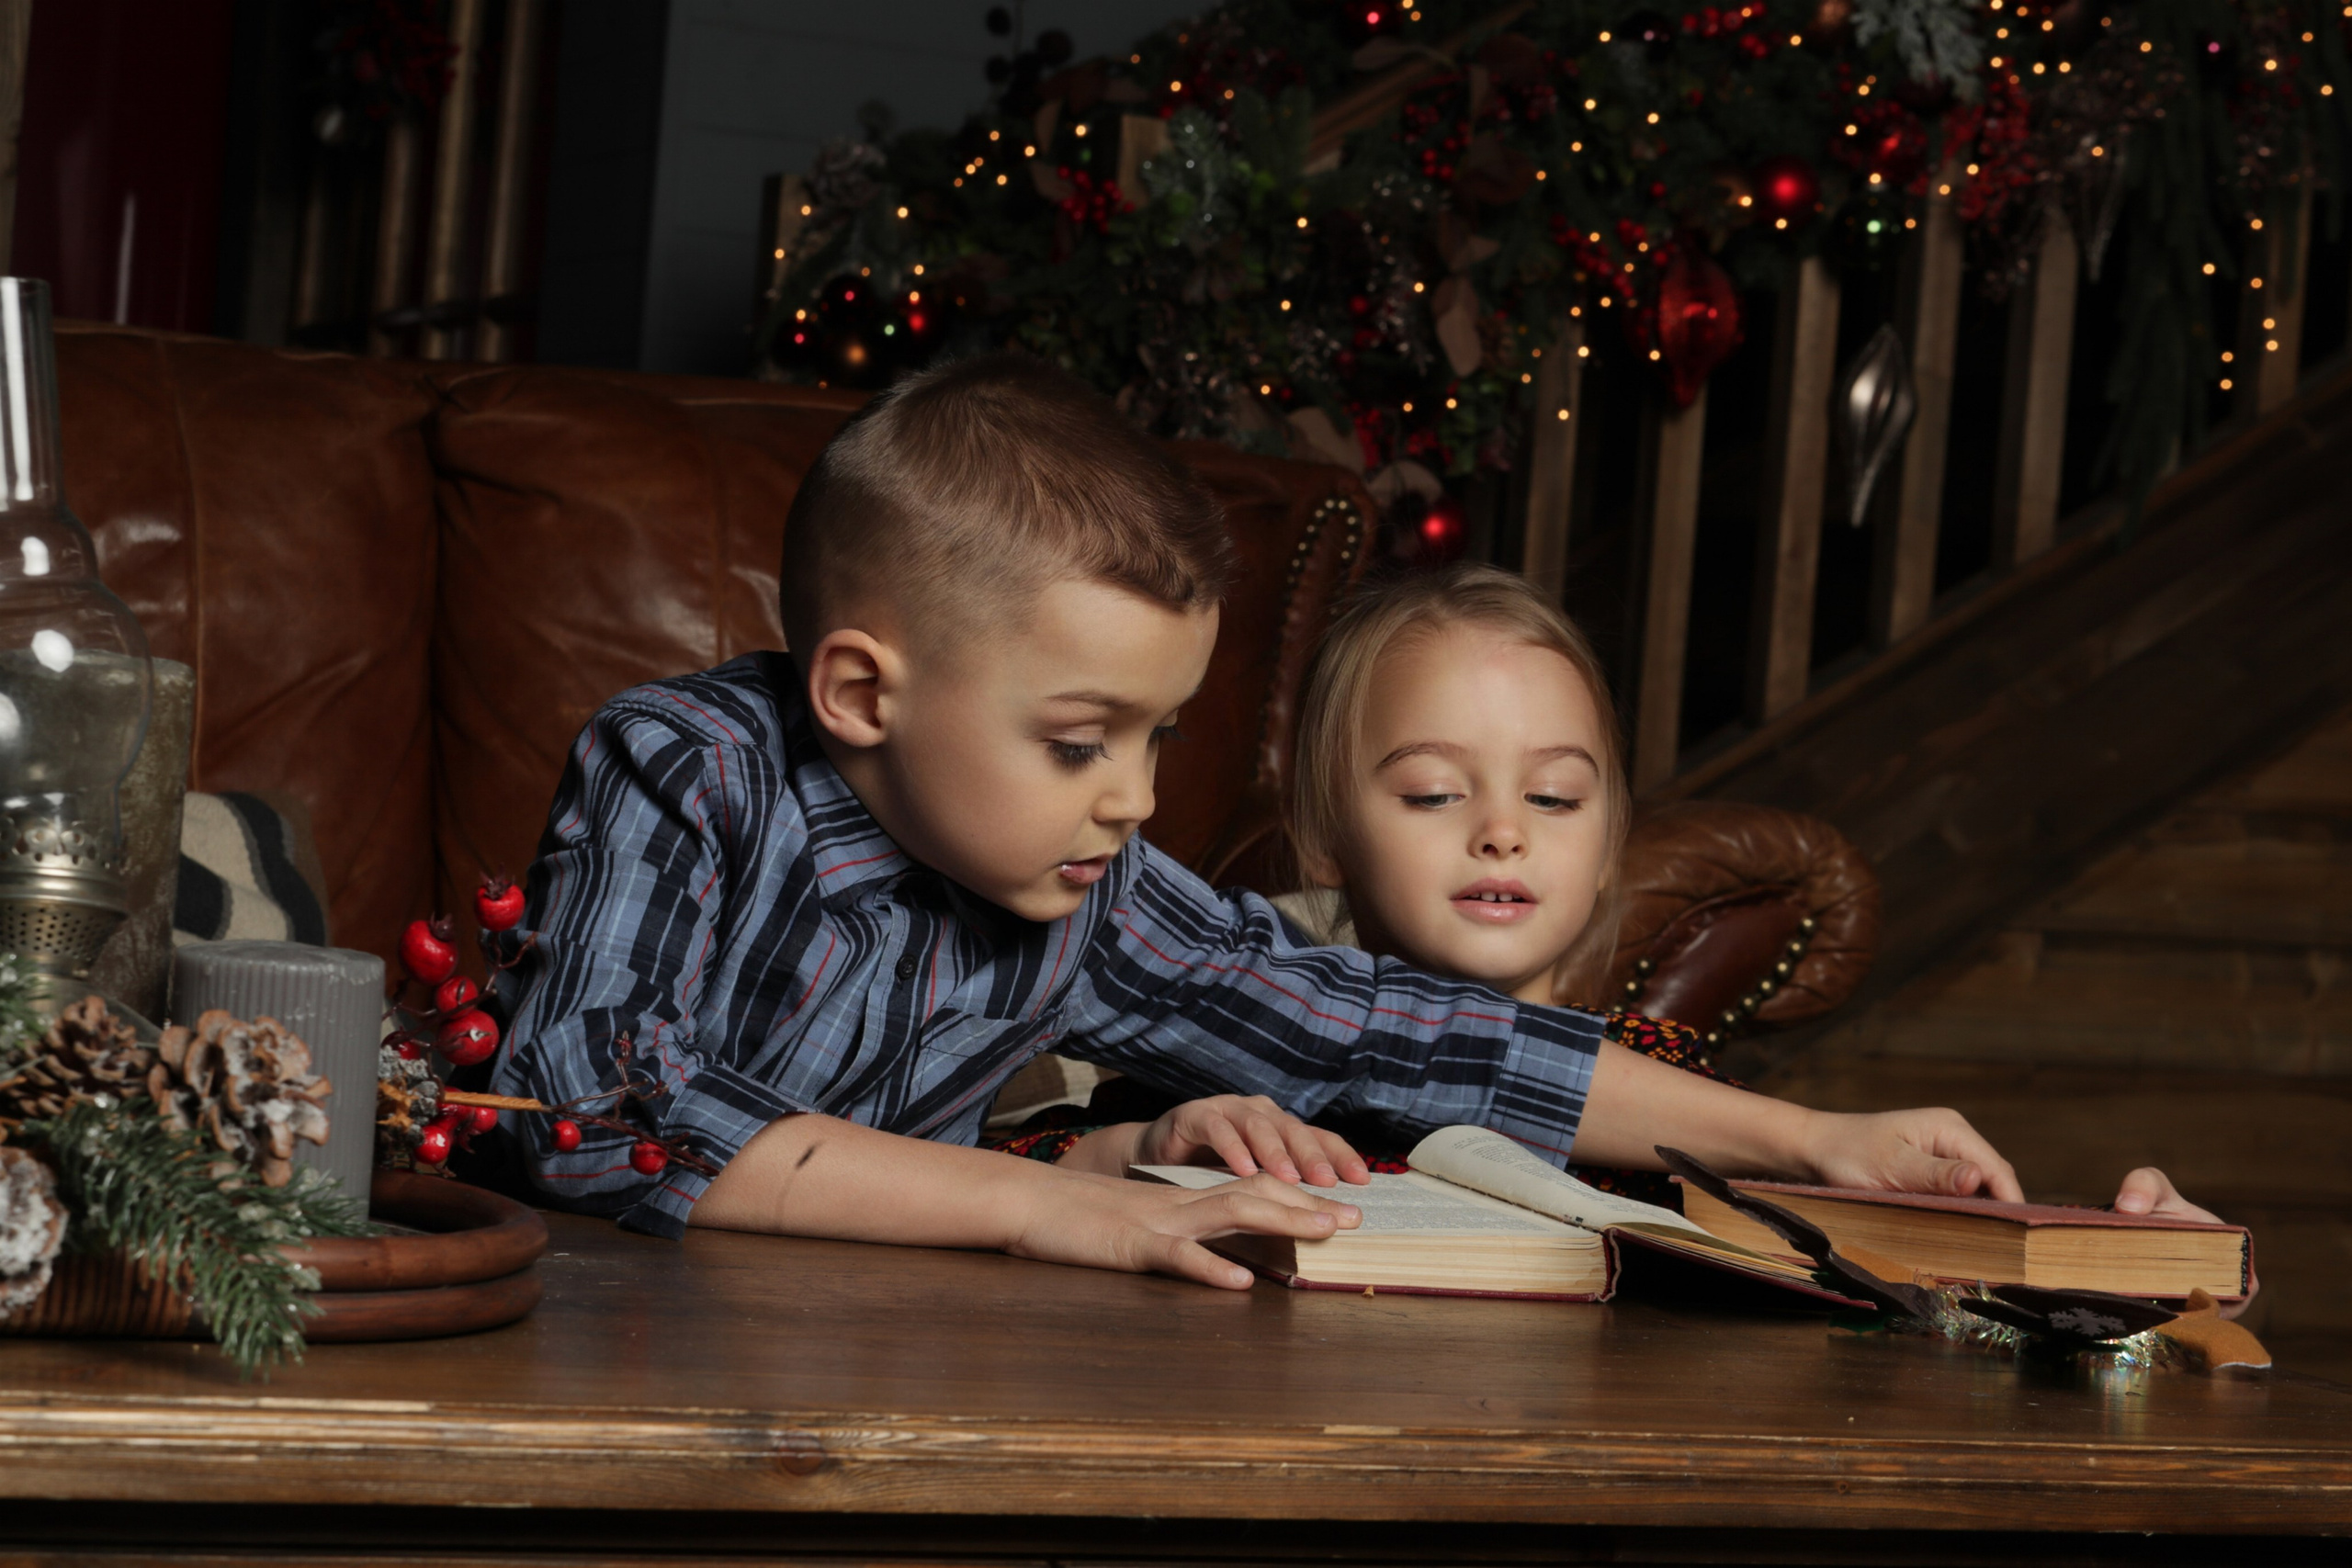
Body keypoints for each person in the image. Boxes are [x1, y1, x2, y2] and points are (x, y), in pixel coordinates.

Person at [490, 354, 2030, 1292]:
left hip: (877, 1352)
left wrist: (1815, 1140)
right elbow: (600, 1109)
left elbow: (1388, 1026)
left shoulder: (1081, 879)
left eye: (1158, 735)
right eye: (1080, 739)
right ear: (859, 691)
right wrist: (1044, 1205)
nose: (1137, 797)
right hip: (596, 1339)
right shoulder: (686, 767)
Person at [1264, 562, 2239, 1240]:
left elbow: (1891, 1275)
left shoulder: (1679, 1092)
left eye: (1554, 797)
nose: (1503, 831)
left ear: (1607, 847)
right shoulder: (1257, 1068)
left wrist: (2140, 1280)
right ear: (1323, 838)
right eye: (1434, 793)